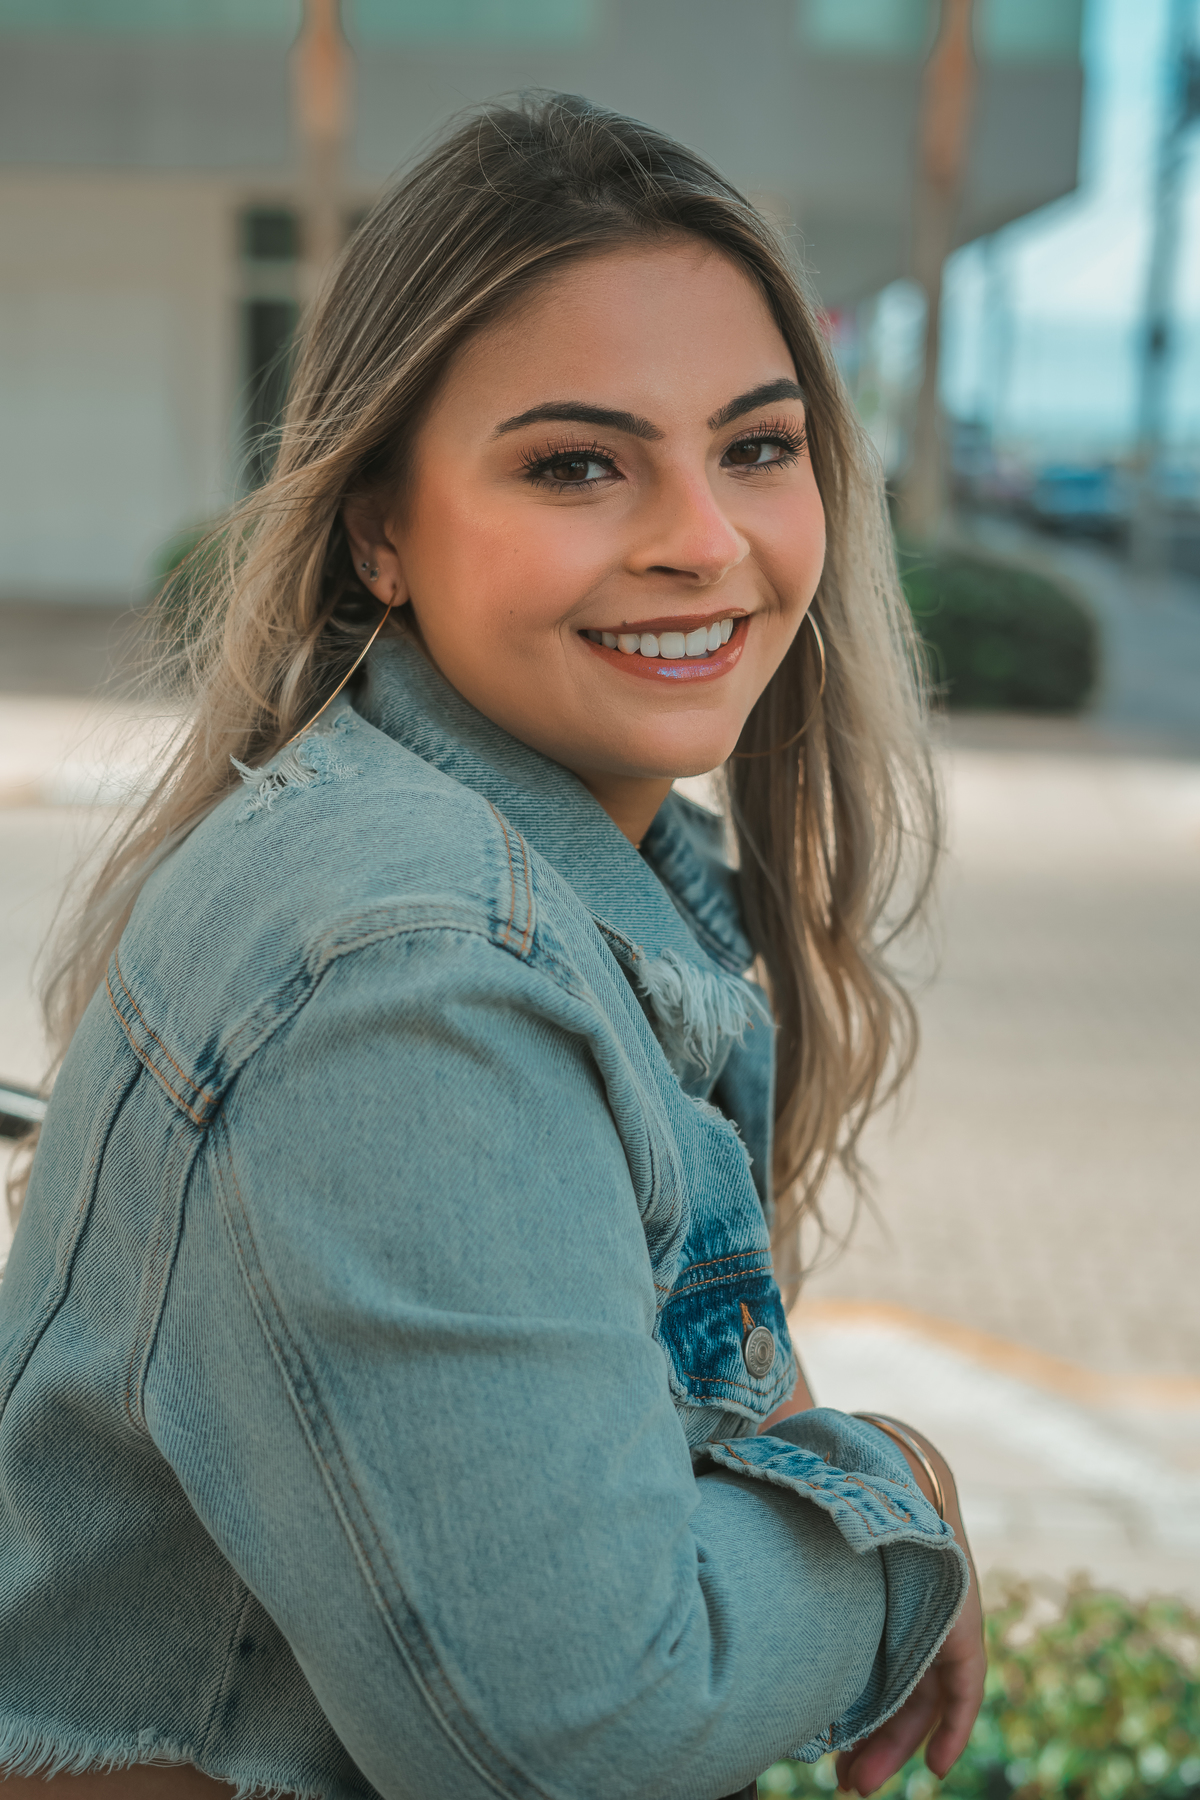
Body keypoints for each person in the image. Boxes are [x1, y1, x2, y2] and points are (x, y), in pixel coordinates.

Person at [0, 95, 983, 1800]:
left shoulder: (592, 876)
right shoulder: (409, 962)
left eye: (756, 445)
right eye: (576, 463)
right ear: (381, 523)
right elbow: (583, 1735)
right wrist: (896, 1505)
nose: (703, 536)